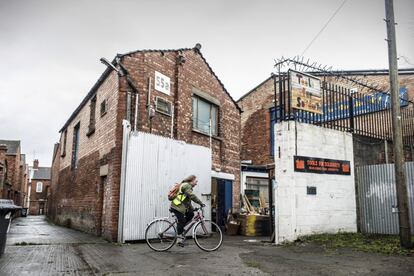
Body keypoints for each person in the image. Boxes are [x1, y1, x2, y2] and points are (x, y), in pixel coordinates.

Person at [170, 175, 205, 247]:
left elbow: (187, 201)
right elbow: (192, 196)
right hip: (177, 207)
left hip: (180, 206)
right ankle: (179, 239)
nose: (196, 183)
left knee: (191, 214)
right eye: (196, 181)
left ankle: (181, 228)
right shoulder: (187, 186)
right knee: (182, 221)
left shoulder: (187, 186)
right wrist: (200, 203)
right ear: (191, 181)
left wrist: (192, 208)